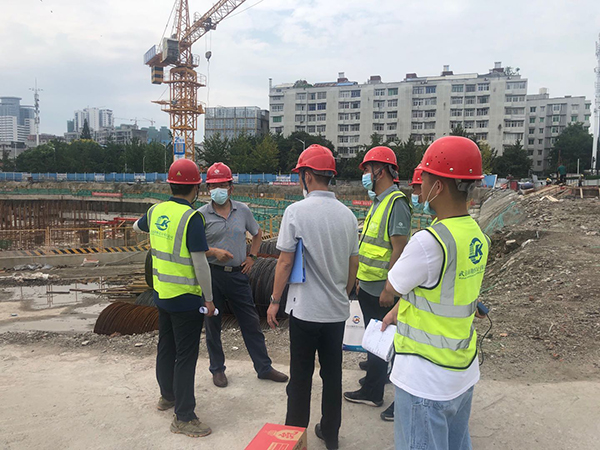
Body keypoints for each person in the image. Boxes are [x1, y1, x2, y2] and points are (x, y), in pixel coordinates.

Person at [380, 136, 490, 450]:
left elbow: (391, 288)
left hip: (425, 380)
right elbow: (447, 293)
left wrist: (394, 301)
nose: (420, 186)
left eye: (425, 179)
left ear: (438, 186)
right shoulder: (477, 235)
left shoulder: (430, 242)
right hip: (462, 371)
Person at [267, 144, 359, 450]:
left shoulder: (296, 212)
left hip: (305, 311)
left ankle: (295, 438)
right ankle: (330, 435)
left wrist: (275, 300)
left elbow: (284, 262)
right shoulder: (348, 216)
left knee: (301, 376)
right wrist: (342, 293)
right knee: (332, 376)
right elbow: (353, 264)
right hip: (336, 312)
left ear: (307, 175)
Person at [133, 158, 215, 438]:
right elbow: (201, 264)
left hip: (162, 293)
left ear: (170, 185)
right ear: (196, 188)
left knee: (166, 347)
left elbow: (137, 227)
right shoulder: (192, 218)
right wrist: (209, 298)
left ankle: (167, 396)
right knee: (186, 356)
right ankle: (184, 416)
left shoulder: (155, 211)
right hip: (185, 297)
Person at [198, 162, 288, 387]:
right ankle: (217, 369)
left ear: (231, 187)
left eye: (222, 185)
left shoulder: (243, 211)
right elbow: (195, 249)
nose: (218, 190)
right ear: (208, 189)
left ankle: (264, 367)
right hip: (212, 276)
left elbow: (257, 234)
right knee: (213, 324)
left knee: (250, 322)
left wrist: (252, 257)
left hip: (238, 275)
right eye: (213, 186)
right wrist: (214, 252)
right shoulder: (201, 216)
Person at [343, 146, 411, 422]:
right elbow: (370, 246)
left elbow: (399, 249)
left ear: (381, 171)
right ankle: (376, 375)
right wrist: (360, 278)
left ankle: (373, 392)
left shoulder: (396, 203)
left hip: (382, 288)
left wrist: (389, 288)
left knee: (380, 340)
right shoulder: (379, 201)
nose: (366, 175)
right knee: (374, 338)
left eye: (368, 170)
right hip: (369, 284)